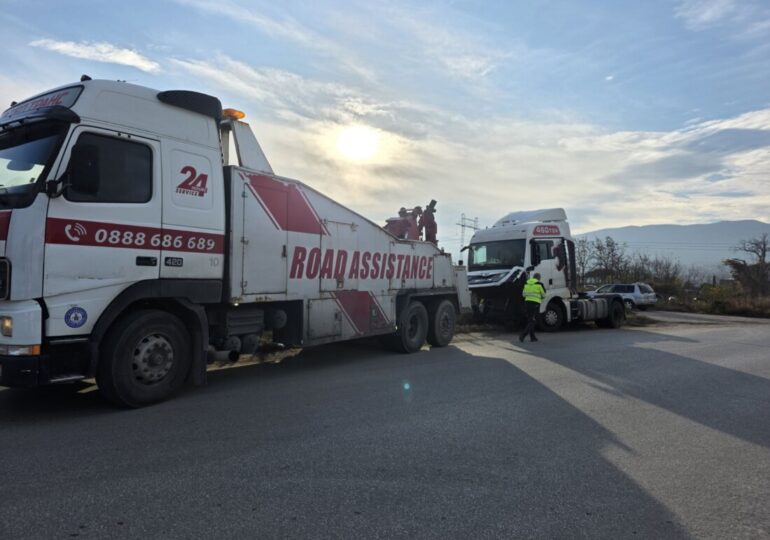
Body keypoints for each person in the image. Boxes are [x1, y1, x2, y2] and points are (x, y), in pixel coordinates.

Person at [519, 272, 546, 343]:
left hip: (527, 303)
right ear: (538, 278)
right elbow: (543, 295)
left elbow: (523, 294)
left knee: (530, 320)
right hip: (535, 303)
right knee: (534, 321)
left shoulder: (527, 284)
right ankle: (523, 335)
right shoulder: (539, 284)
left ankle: (532, 337)